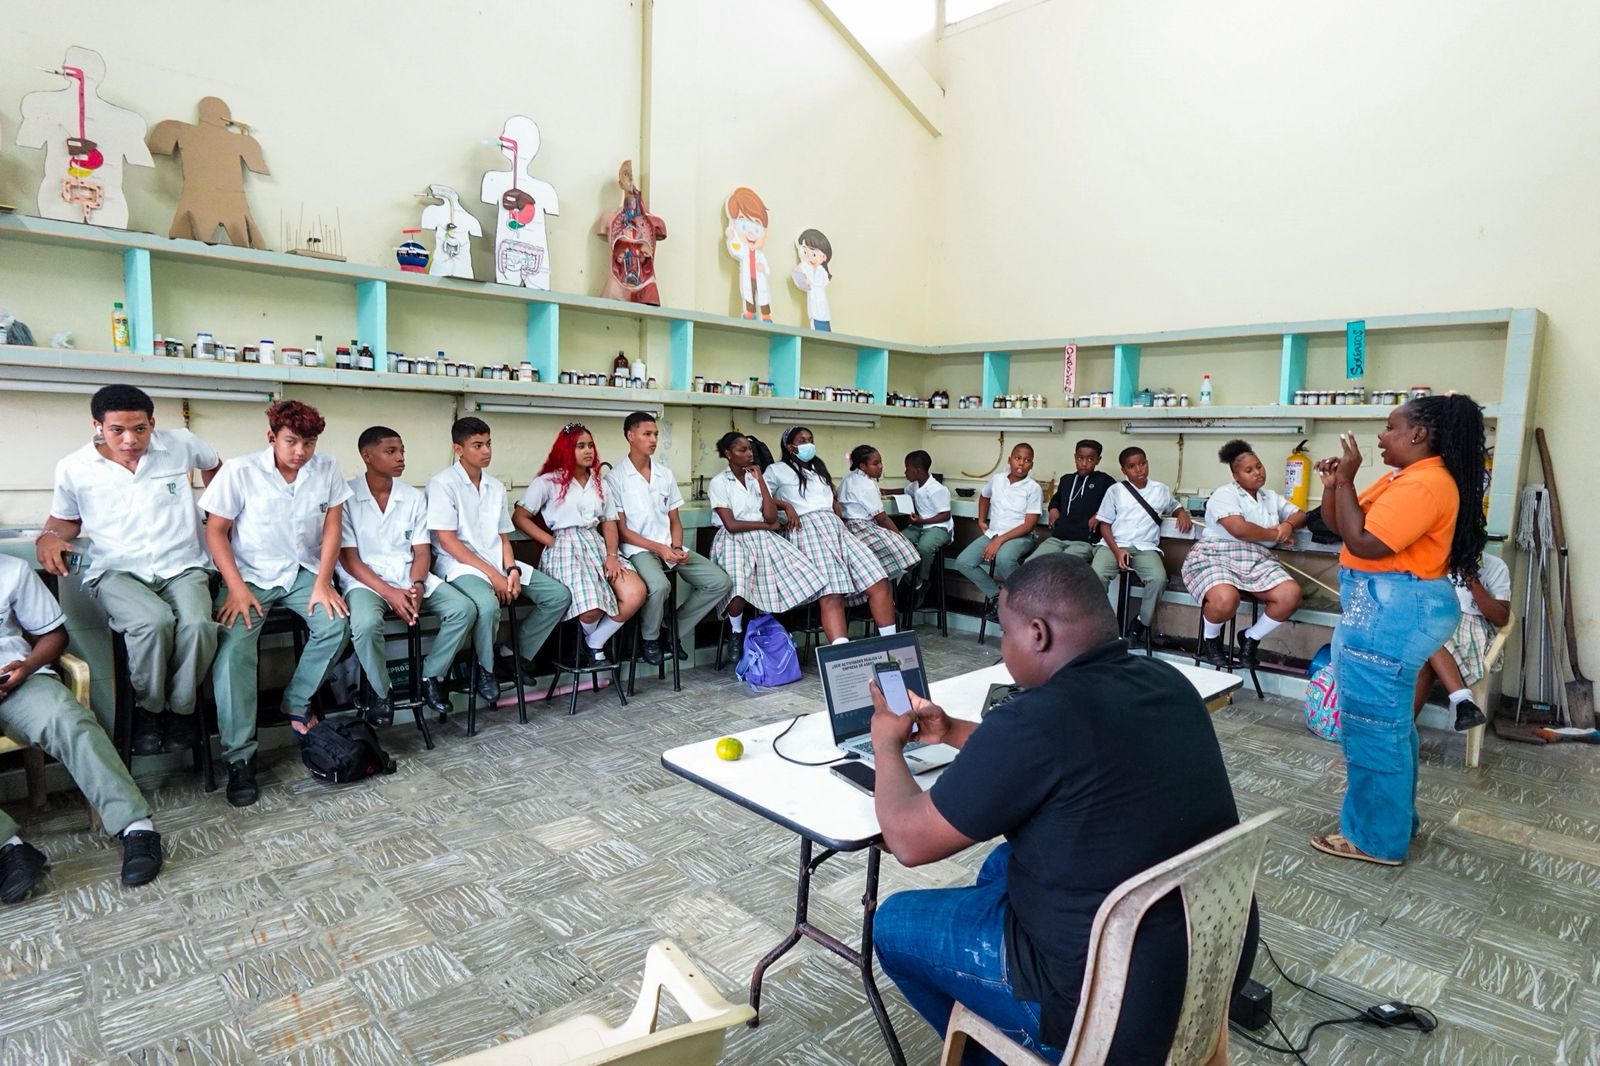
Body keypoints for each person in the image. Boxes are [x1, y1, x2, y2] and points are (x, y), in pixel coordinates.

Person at [867, 553, 1252, 1062]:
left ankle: (1008, 1051)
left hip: (1106, 1007)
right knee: (999, 864)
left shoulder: (1036, 720)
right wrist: (952, 731)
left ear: (1037, 633)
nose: (1004, 648)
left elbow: (908, 841)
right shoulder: (1167, 682)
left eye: (1005, 634)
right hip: (1209, 956)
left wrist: (885, 747)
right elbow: (1061, 754)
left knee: (892, 923)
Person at [1311, 394, 1487, 866]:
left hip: (1392, 609)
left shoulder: (1425, 485)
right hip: (1388, 606)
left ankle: (1375, 839)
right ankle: (1395, 822)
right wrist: (1335, 486)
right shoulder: (1401, 478)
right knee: (1388, 722)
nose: (1381, 437)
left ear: (1418, 434)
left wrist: (1348, 479)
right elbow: (1341, 527)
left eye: (1390, 427)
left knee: (1371, 724)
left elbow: (1366, 544)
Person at [36, 384, 222, 756]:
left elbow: (216, 467)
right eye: (117, 430)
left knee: (199, 625)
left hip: (183, 565)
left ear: (152, 423)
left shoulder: (181, 443)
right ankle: (150, 708)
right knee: (153, 622)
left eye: (139, 428)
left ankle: (182, 709)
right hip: (117, 570)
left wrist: (220, 513)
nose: (129, 440)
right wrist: (49, 537)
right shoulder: (75, 467)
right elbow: (64, 521)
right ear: (97, 426)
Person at [201, 401, 352, 808]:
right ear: (272, 437)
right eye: (291, 441)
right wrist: (234, 588)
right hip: (248, 575)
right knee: (233, 650)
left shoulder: (327, 469)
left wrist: (324, 583)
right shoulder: (240, 470)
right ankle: (240, 758)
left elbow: (333, 527)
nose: (300, 451)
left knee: (337, 624)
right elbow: (216, 532)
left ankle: (296, 701)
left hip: (303, 571)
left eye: (309, 442)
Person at [0, 556, 163, 901]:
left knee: (68, 718)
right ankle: (10, 850)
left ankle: (135, 827)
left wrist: (27, 666)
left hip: (16, 680)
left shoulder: (12, 570)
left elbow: (53, 636)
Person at [336, 427, 475, 726]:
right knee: (365, 623)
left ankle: (430, 677)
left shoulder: (412, 496)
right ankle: (380, 691)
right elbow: (349, 559)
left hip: (409, 574)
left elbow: (422, 551)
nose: (400, 458)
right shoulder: (346, 497)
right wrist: (390, 593)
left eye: (402, 451)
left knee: (462, 610)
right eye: (391, 451)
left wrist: (418, 585)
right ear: (367, 456)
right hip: (366, 581)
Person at [428, 417, 571, 698]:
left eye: (489, 444)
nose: (486, 451)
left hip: (498, 563)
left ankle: (512, 654)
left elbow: (504, 537)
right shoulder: (442, 484)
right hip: (461, 566)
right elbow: (447, 541)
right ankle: (485, 669)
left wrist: (512, 570)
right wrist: (494, 576)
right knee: (487, 605)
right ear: (458, 449)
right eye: (477, 445)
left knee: (557, 596)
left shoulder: (495, 486)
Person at [513, 423, 646, 667]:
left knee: (635, 593)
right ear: (565, 450)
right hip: (565, 548)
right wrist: (549, 540)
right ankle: (591, 648)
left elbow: (609, 523)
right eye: (580, 446)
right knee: (591, 607)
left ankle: (593, 643)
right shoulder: (547, 482)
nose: (588, 451)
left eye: (590, 446)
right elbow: (520, 517)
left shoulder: (599, 483)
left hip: (595, 545)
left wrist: (612, 556)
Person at [606, 412, 731, 667]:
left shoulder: (665, 474)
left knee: (719, 582)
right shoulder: (615, 478)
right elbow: (623, 531)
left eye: (655, 435)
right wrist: (660, 548)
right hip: (637, 549)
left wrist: (675, 546)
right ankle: (649, 639)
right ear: (631, 436)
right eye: (647, 434)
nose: (653, 440)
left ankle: (670, 628)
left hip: (668, 546)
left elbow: (675, 520)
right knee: (660, 586)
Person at [765, 427, 898, 645]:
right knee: (831, 593)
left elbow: (830, 499)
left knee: (878, 580)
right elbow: (762, 498)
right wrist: (785, 505)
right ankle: (841, 654)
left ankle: (892, 644)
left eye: (811, 439)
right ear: (790, 447)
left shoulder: (818, 469)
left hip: (835, 528)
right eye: (802, 440)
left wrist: (834, 505)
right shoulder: (777, 470)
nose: (808, 444)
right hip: (806, 529)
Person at [1182, 439, 1308, 666]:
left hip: (1257, 558)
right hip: (1216, 555)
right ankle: (1211, 639)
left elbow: (1300, 514)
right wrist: (1275, 535)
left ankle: (1250, 637)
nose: (1257, 473)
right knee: (1225, 600)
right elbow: (1239, 529)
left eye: (1259, 466)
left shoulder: (1270, 497)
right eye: (1248, 470)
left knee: (1290, 595)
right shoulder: (1225, 494)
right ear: (1236, 476)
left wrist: (1287, 525)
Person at [706, 432, 825, 656]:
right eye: (742, 450)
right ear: (728, 454)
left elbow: (770, 517)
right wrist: (766, 527)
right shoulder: (719, 482)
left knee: (794, 574)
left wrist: (760, 480)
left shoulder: (754, 478)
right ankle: (736, 631)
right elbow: (731, 524)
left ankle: (768, 631)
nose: (749, 454)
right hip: (734, 539)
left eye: (750, 449)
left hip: (761, 536)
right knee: (738, 584)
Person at [1092, 446, 1192, 643]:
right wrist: (1117, 551)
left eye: (1142, 464)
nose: (1139, 470)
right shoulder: (1115, 491)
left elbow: (1174, 505)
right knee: (1096, 576)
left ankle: (1140, 623)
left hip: (1145, 547)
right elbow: (1104, 526)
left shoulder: (1160, 489)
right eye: (1132, 466)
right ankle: (1099, 624)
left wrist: (1181, 513)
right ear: (1124, 470)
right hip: (1114, 544)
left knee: (1158, 579)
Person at [1414, 550, 1510, 731]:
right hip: (1433, 621)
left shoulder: (1495, 566)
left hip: (1469, 631)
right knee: (1428, 648)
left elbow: (1501, 618)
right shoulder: (1432, 558)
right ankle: (1464, 703)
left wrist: (1470, 578)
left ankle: (1399, 735)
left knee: (1431, 642)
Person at [952, 443, 1042, 617]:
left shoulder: (1033, 488)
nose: (1021, 463)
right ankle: (998, 596)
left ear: (1032, 464)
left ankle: (1025, 600)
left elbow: (1028, 525)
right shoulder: (997, 479)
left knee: (1005, 558)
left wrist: (999, 540)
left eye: (1027, 460)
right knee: (963, 562)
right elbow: (984, 496)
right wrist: (981, 520)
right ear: (1010, 459)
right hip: (993, 533)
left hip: (1020, 536)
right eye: (1018, 458)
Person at [837, 445, 921, 583]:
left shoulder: (848, 478)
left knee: (885, 562)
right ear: (863, 466)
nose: (881, 466)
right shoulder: (866, 484)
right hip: (863, 528)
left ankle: (885, 584)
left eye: (881, 462)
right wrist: (899, 537)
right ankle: (891, 585)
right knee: (909, 555)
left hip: (847, 528)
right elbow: (882, 518)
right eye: (875, 464)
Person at [1030, 439, 1115, 565]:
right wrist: (1053, 508)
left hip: (1085, 541)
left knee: (1062, 567)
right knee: (1031, 564)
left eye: (1090, 459)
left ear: (1098, 460)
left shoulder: (1105, 481)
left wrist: (1099, 515)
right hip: (1058, 538)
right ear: (1075, 457)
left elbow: (1115, 505)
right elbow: (1057, 498)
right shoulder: (1067, 480)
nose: (1084, 463)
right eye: (1080, 458)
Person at [900, 450, 954, 598]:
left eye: (907, 468)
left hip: (939, 528)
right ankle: (909, 579)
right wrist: (885, 491)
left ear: (917, 470)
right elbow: (904, 491)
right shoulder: (916, 484)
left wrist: (921, 521)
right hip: (921, 526)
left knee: (924, 547)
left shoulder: (937, 489)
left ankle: (921, 581)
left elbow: (945, 515)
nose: (905, 472)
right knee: (899, 540)